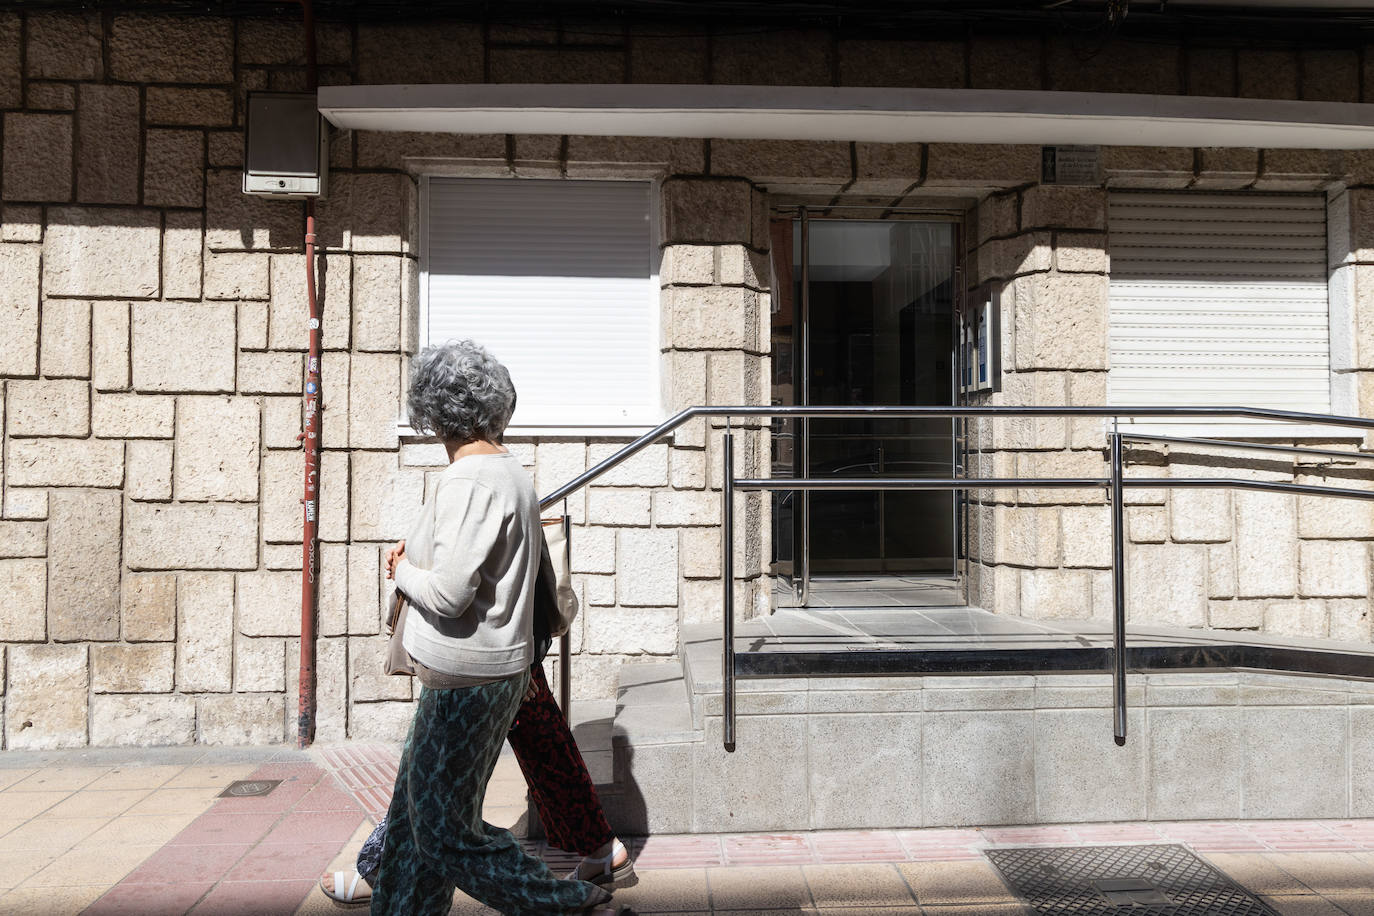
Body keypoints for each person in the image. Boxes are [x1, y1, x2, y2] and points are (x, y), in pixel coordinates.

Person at [354, 340, 625, 916]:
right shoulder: (508, 472)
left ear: (435, 410)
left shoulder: (469, 481)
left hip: (465, 679)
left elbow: (451, 596)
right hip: (488, 675)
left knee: (444, 833)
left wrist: (402, 572)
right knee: (412, 819)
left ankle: (571, 901)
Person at [321, 661, 634, 906]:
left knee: (432, 776)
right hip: (505, 636)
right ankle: (596, 846)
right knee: (537, 731)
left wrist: (407, 575)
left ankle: (386, 869)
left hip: (483, 644)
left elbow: (456, 590)